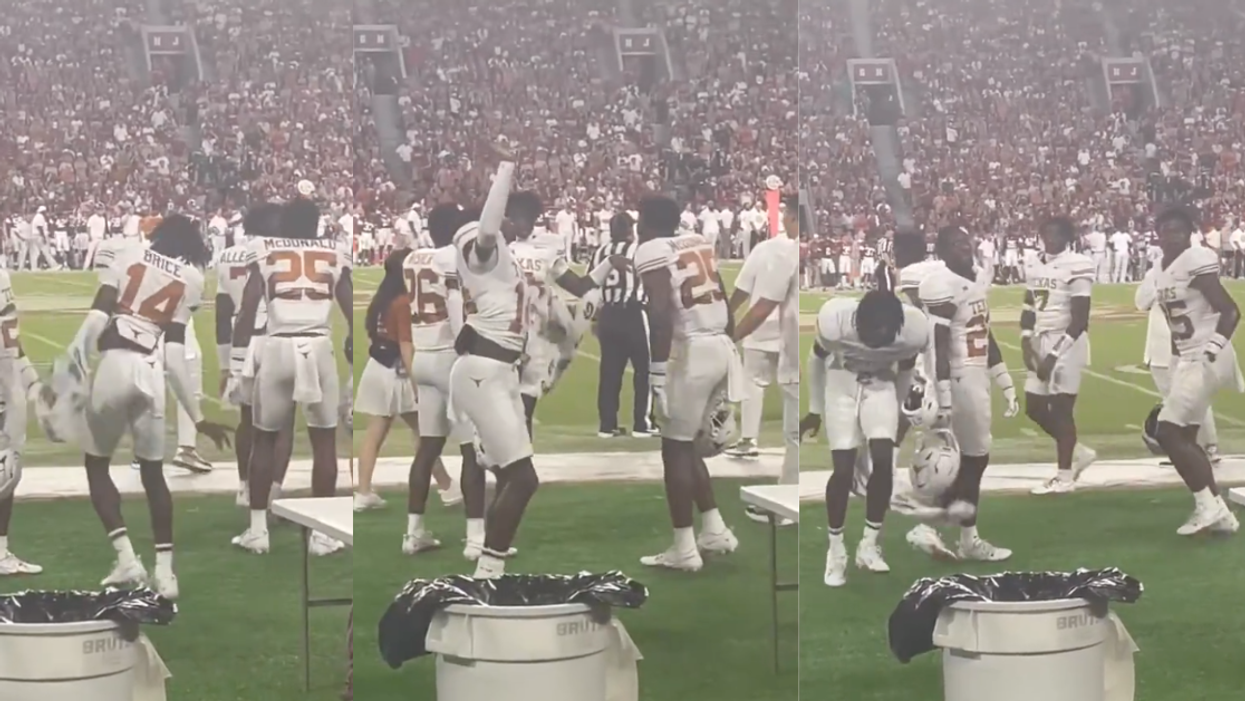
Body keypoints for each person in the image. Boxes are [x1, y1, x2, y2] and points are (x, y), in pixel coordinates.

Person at [63, 214, 232, 599]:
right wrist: (198, 418)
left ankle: (126, 557)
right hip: (151, 370)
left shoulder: (126, 251)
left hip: (115, 363)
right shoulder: (191, 279)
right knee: (154, 475)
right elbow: (174, 356)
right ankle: (166, 574)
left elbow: (100, 311)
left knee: (96, 464)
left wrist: (76, 355)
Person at [230, 198, 353, 555]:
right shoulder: (335, 251)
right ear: (316, 225)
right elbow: (349, 308)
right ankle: (322, 535)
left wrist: (236, 364)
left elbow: (248, 308)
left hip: (278, 345)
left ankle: (258, 530)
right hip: (319, 346)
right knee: (324, 442)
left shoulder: (264, 248)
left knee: (264, 439)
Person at [802, 262, 928, 586]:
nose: (875, 340)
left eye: (883, 335)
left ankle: (869, 545)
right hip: (841, 382)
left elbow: (906, 369)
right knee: (843, 469)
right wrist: (814, 409)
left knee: (883, 462)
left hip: (881, 384)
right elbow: (815, 359)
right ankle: (835, 550)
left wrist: (898, 408)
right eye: (871, 332)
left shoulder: (912, 330)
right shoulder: (836, 321)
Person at [634, 193, 741, 572]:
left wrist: (657, 373)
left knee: (675, 449)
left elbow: (660, 314)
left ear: (646, 222)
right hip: (721, 343)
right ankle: (714, 529)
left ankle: (683, 548)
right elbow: (725, 301)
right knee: (688, 445)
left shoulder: (650, 249)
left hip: (692, 350)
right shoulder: (698, 242)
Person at [445, 157, 537, 578]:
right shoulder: (481, 246)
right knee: (523, 479)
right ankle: (488, 572)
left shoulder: (503, 263)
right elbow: (483, 234)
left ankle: (488, 562)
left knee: (509, 475)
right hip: (485, 370)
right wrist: (505, 171)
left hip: (498, 369)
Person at [911, 225, 1019, 562]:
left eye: (965, 241)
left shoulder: (975, 279)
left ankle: (934, 526)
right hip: (959, 378)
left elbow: (984, 333)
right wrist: (944, 395)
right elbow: (939, 345)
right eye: (955, 244)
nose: (963, 247)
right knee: (973, 459)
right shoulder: (942, 284)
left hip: (974, 375)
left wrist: (1004, 380)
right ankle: (965, 539)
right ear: (942, 252)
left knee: (964, 462)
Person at [1135, 207, 1241, 535]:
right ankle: (1218, 511)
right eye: (1166, 230)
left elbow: (1230, 310)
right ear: (1157, 234)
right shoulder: (1160, 268)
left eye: (1178, 230)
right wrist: (1180, 358)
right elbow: (1168, 316)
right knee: (1183, 436)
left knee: (1168, 432)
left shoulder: (1195, 259)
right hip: (1189, 357)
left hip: (1209, 354)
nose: (1172, 236)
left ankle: (1209, 505)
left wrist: (1211, 349)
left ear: (1189, 234)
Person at [404, 204, 488, 559]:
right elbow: (457, 303)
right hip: (448, 357)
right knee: (472, 449)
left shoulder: (413, 258)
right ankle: (476, 538)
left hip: (422, 356)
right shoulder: (454, 257)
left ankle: (413, 532)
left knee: (428, 447)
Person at [354, 247, 459, 513]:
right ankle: (447, 487)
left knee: (378, 434)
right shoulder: (402, 302)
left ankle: (363, 491)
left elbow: (373, 336)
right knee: (425, 432)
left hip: (377, 367)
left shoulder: (380, 300)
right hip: (398, 372)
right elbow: (405, 345)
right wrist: (416, 384)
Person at [505, 191, 606, 436]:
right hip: (502, 333)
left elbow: (578, 286)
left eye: (527, 217)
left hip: (534, 337)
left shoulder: (546, 250)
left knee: (525, 408)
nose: (521, 223)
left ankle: (521, 456)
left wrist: (608, 264)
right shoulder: (496, 248)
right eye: (516, 217)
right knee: (499, 407)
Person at [216, 203, 296, 508]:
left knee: (247, 419)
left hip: (242, 339)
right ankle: (273, 491)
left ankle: (244, 486)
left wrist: (227, 363)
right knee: (283, 422)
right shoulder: (279, 252)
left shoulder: (227, 256)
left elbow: (223, 311)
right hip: (274, 335)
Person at [730, 194, 801, 523]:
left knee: (755, 385)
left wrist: (729, 330)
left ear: (793, 217)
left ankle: (750, 440)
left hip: (776, 337)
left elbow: (756, 301)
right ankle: (791, 495)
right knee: (797, 427)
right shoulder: (801, 249)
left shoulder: (775, 250)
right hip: (798, 343)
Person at [1023, 217, 1099, 494]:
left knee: (1061, 409)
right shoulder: (1033, 262)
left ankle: (1064, 477)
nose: (1051, 239)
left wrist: (1054, 355)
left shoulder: (1078, 264)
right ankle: (1078, 452)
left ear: (1068, 238)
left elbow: (1080, 319)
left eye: (1057, 235)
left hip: (1068, 342)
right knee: (1034, 407)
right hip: (1041, 337)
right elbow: (1029, 304)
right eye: (1046, 233)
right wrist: (1025, 341)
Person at [592, 212, 654, 438]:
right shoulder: (639, 250)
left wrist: (595, 317)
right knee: (644, 371)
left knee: (609, 372)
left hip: (608, 314)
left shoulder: (600, 252)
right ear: (630, 229)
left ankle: (607, 425)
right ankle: (641, 424)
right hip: (633, 313)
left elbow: (592, 285)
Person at [0, 265, 45, 575]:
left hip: (9, 383)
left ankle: (1, 552)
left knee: (8, 473)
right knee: (6, 470)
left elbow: (10, 337)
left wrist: (30, 379)